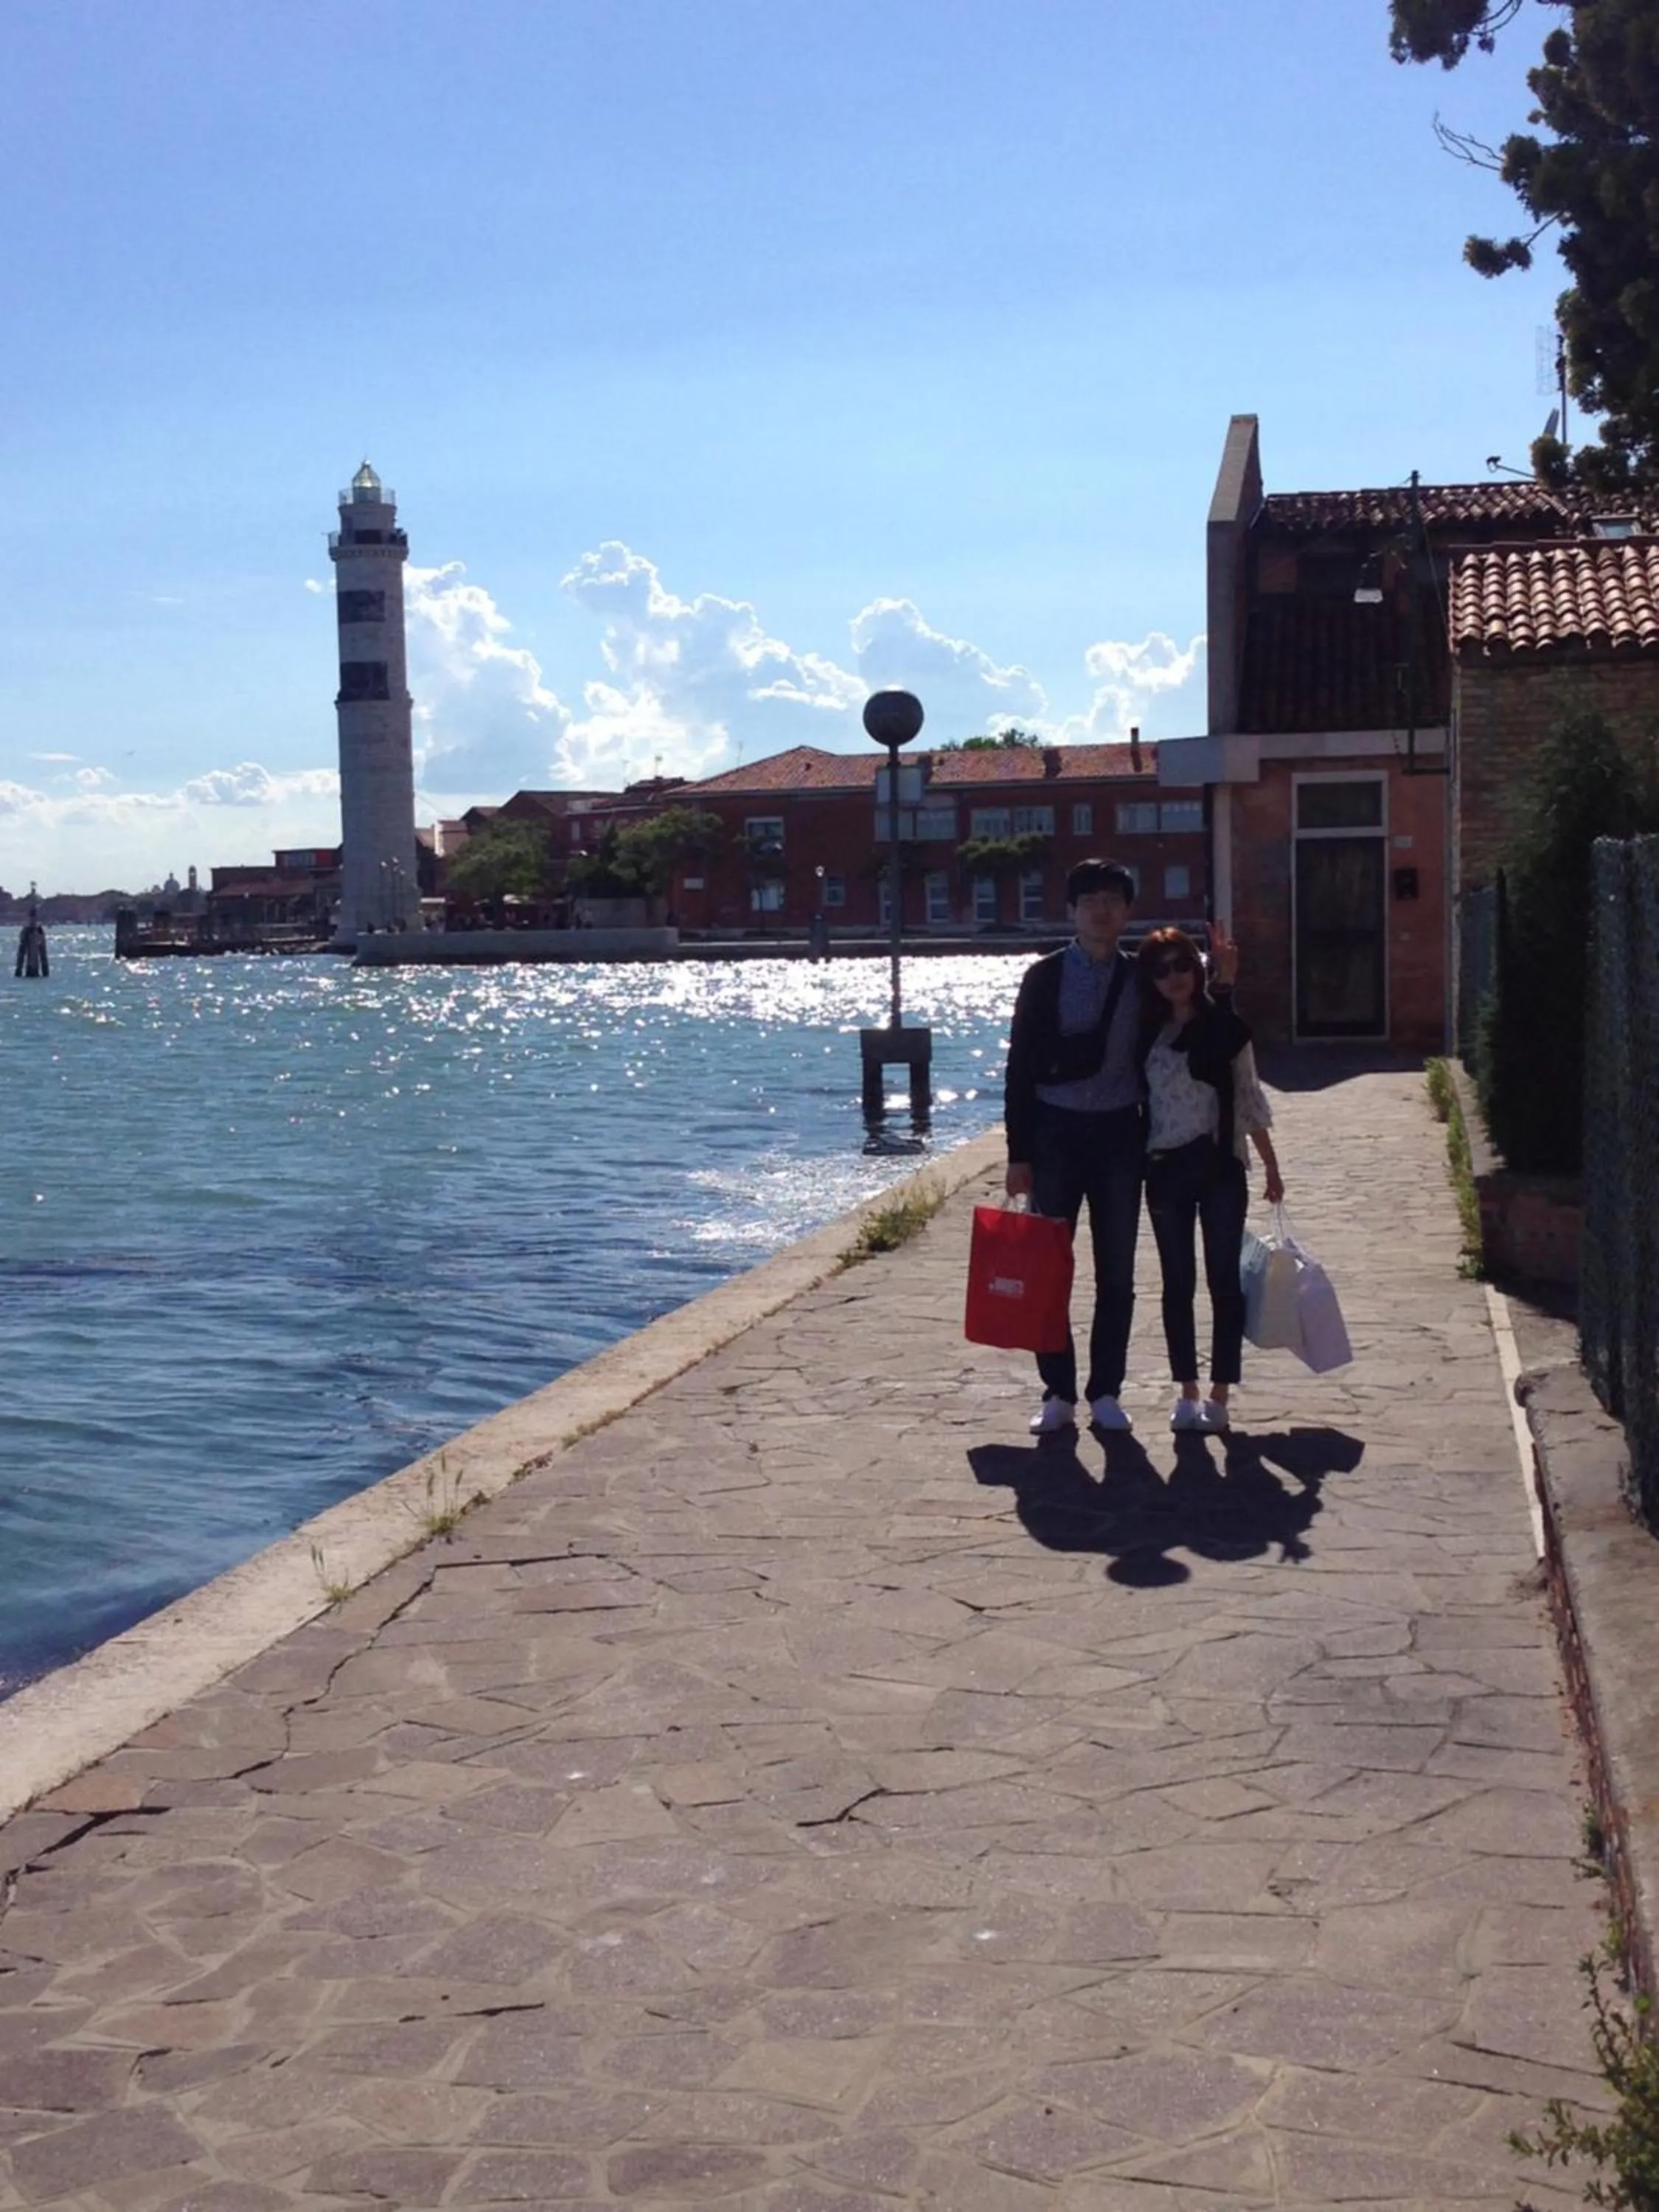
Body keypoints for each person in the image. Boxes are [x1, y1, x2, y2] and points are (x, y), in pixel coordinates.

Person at [1004, 858, 1146, 1435]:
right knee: (1048, 1269)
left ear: (1127, 911)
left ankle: (1106, 1391)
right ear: (1072, 911)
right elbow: (1018, 1067)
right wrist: (1019, 1153)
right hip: (1055, 1134)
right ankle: (1057, 1392)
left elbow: (1189, 1035)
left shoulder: (1143, 977)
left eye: (1113, 899)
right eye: (1090, 900)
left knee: (1117, 1272)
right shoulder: (1044, 977)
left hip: (1120, 1135)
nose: (1101, 909)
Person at [1135, 922, 1283, 1435]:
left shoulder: (1224, 1027)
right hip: (1165, 1172)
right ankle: (1187, 1390)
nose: (1173, 977)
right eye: (1161, 970)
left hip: (1221, 1167)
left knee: (1223, 1281)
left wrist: (1269, 1164)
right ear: (1150, 980)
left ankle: (1220, 1394)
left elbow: (1248, 1097)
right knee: (1177, 1282)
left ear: (1196, 970)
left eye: (1182, 965)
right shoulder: (1146, 1034)